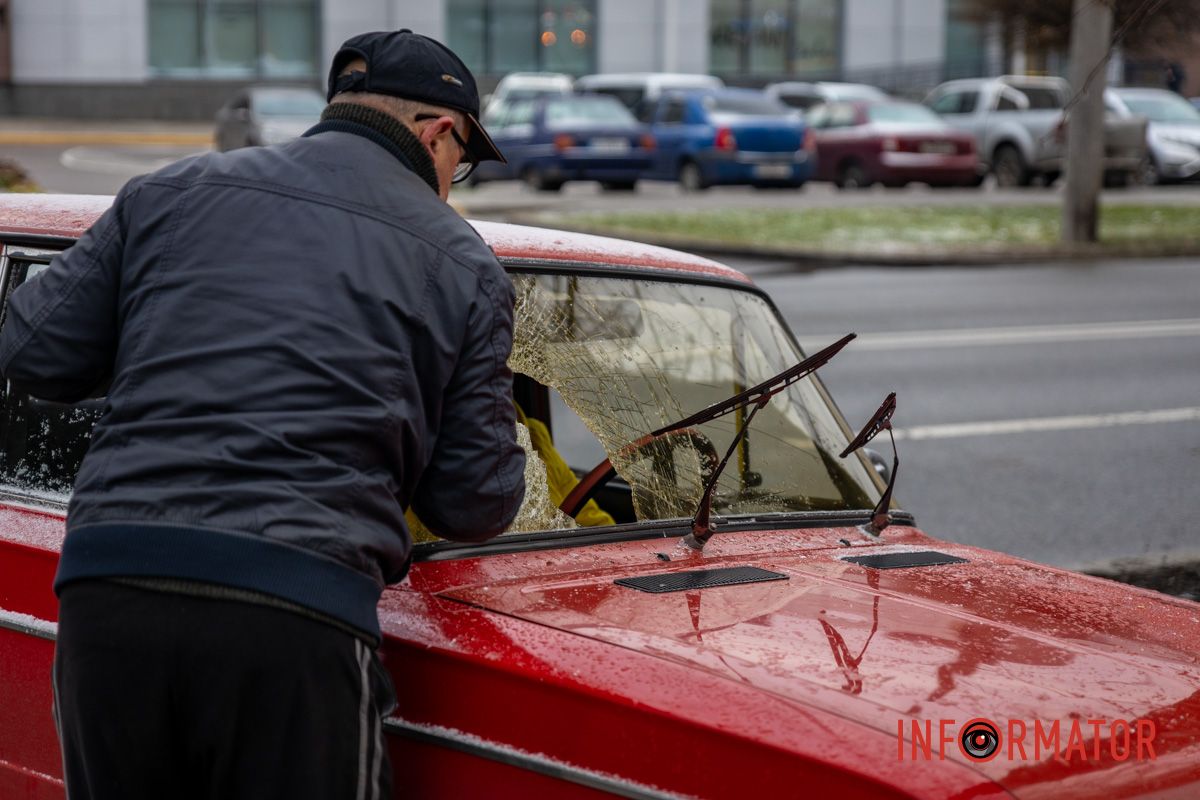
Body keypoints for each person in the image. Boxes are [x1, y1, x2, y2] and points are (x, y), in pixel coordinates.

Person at [0, 29, 525, 800]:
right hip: (293, 606)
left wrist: (167, 345)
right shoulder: (462, 262)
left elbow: (32, 350)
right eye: (463, 161)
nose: (454, 180)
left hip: (111, 585)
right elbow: (474, 504)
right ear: (439, 130)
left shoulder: (168, 191)